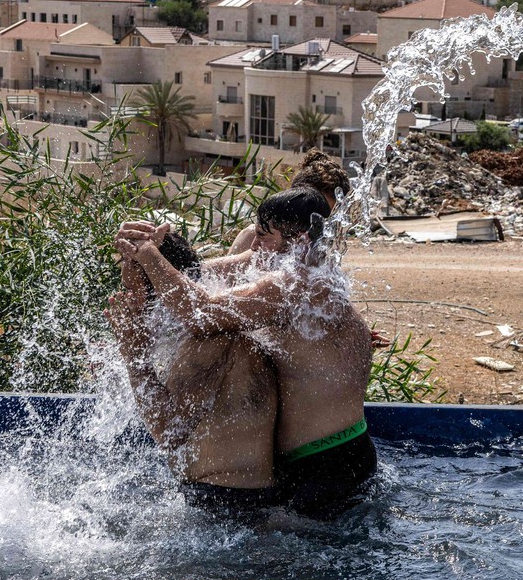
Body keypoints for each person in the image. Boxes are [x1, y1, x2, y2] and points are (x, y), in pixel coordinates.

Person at [117, 187, 377, 519]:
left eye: (263, 236)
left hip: (324, 464)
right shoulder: (309, 268)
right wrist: (164, 249)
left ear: (298, 240)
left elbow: (201, 312)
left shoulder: (296, 285)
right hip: (339, 450)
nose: (253, 246)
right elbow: (199, 274)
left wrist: (148, 254)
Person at [106, 233, 279, 513]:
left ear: (158, 285)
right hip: (232, 497)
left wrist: (134, 356)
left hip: (225, 505)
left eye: (131, 289)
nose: (126, 297)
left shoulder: (209, 342)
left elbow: (170, 432)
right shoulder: (203, 327)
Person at [227, 149, 352, 255]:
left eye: (329, 217)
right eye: (315, 215)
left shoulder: (325, 244)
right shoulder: (253, 238)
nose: (320, 225)